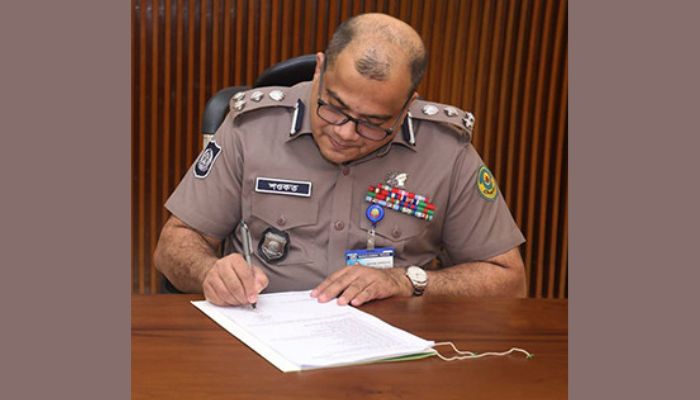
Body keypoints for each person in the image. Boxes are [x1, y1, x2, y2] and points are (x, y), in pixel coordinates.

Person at [154, 13, 526, 307]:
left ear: (407, 106)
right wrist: (210, 272)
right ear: (319, 68)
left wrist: (407, 281)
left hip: (390, 350)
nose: (345, 133)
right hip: (262, 341)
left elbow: (508, 281)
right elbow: (174, 245)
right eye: (334, 107)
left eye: (373, 123)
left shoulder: (446, 150)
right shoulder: (252, 128)